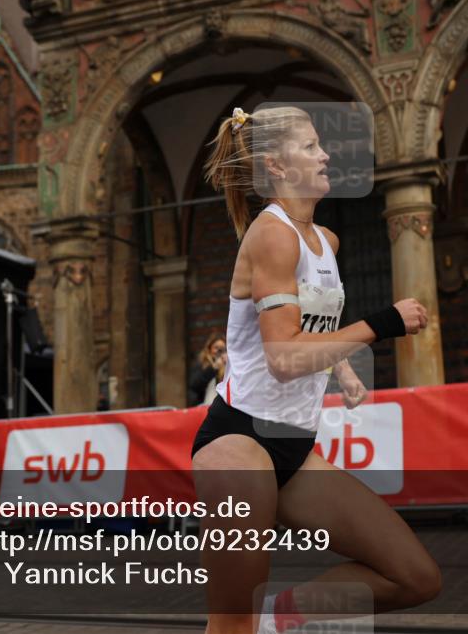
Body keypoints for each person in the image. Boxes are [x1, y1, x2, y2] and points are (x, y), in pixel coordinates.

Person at [192, 105, 439, 634]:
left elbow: (314, 320)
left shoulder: (325, 240)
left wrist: (343, 370)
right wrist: (382, 323)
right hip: (239, 441)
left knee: (414, 577)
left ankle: (280, 618)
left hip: (294, 446)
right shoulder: (271, 234)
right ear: (276, 167)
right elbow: (282, 358)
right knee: (230, 625)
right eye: (310, 146)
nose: (325, 154)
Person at [188, 334, 228, 406]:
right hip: (203, 406)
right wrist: (213, 368)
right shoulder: (201, 364)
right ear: (209, 349)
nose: (219, 351)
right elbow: (195, 386)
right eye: (216, 348)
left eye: (222, 348)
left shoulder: (229, 367)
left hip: (221, 407)